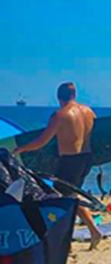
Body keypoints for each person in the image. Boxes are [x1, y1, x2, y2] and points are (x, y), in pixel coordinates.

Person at [12, 82, 102, 248]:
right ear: (74, 95)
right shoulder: (89, 112)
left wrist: (21, 149)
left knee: (61, 200)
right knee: (70, 196)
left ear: (59, 98)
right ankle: (94, 231)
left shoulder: (60, 115)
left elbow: (42, 141)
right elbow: (98, 135)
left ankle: (61, 239)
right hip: (86, 159)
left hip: (70, 161)